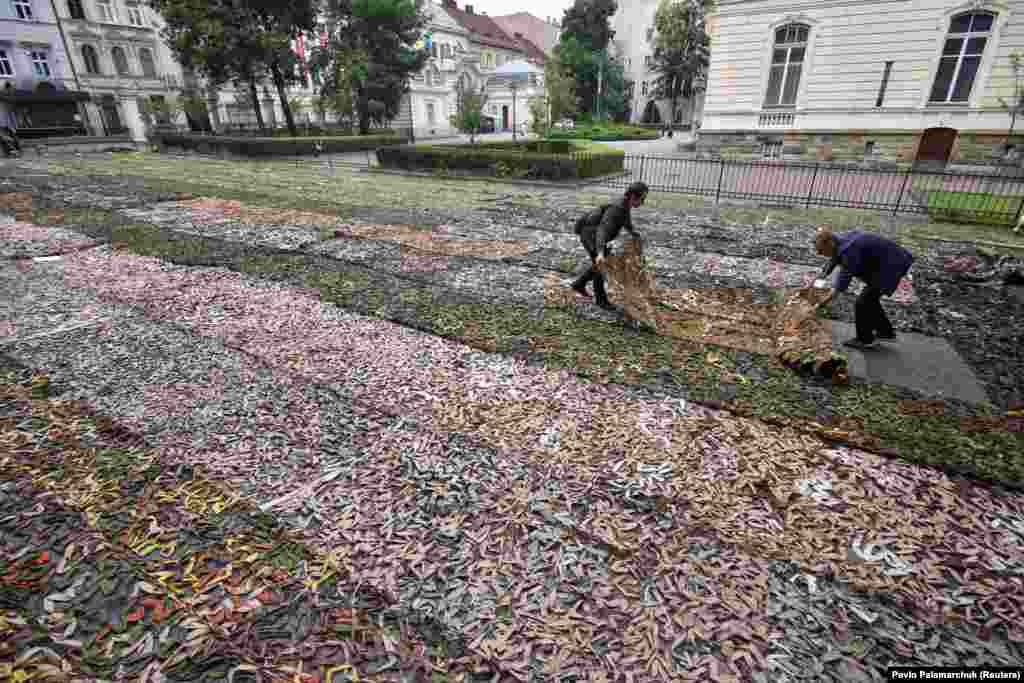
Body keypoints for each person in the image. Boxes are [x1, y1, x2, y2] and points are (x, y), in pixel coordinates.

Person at [814, 228, 915, 350]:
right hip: (889, 261)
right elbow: (835, 258)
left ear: (830, 243)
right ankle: (886, 332)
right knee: (870, 300)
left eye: (820, 250)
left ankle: (865, 339)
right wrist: (818, 280)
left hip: (891, 266)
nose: (818, 253)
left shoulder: (850, 251)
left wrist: (820, 304)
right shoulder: (842, 241)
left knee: (862, 302)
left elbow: (841, 284)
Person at [570, 181, 649, 310]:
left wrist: (633, 232)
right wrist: (600, 252)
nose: (643, 202)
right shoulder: (617, 208)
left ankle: (579, 284)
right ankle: (601, 300)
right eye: (642, 199)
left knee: (601, 264)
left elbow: (625, 218)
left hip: (595, 234)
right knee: (602, 266)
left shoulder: (625, 203)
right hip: (591, 235)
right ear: (633, 197)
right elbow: (603, 230)